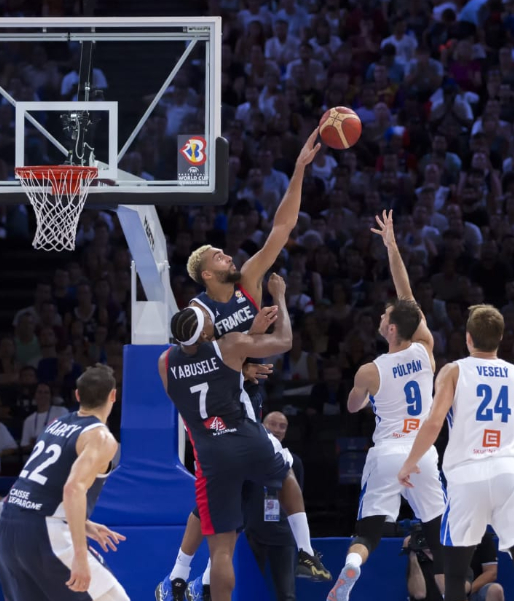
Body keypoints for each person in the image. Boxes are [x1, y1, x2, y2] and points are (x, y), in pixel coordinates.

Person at [161, 130, 323, 601]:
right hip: (217, 415)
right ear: (206, 275)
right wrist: (249, 353)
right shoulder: (200, 314)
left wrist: (298, 169)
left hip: (237, 404)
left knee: (221, 526)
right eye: (218, 255)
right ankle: (182, 573)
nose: (228, 254)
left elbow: (282, 228)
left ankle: (185, 574)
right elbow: (213, 359)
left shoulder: (248, 279)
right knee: (251, 490)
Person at [157, 277, 328, 601]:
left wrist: (237, 367)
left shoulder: (164, 363)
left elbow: (191, 385)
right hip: (244, 436)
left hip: (210, 450)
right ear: (207, 333)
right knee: (287, 471)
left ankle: (182, 576)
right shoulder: (230, 345)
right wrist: (278, 294)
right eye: (207, 318)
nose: (210, 316)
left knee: (221, 549)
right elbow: (285, 340)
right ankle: (306, 552)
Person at [327, 211, 445, 601]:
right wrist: (393, 247)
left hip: (388, 452)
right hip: (423, 453)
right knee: (436, 529)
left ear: (391, 329)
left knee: (369, 531)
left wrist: (361, 394)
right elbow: (407, 295)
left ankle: (353, 567)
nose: (381, 315)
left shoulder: (370, 369)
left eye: (385, 315)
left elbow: (352, 406)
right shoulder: (426, 350)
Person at [397, 305, 514, 601]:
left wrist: (410, 462)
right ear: (501, 338)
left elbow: (433, 423)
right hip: (511, 474)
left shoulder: (454, 370)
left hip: (468, 476)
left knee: (455, 575)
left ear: (468, 338)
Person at [0, 365, 130, 601]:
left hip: (8, 526)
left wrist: (82, 523)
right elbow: (72, 488)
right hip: (45, 532)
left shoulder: (56, 424)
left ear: (77, 396)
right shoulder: (101, 437)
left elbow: (44, 486)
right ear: (113, 396)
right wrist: (80, 554)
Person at [243, 411, 304, 601]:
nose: (277, 430)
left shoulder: (294, 462)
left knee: (287, 594)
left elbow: (298, 500)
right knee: (249, 590)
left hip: (283, 536)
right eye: (272, 424)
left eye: (282, 426)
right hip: (252, 533)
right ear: (261, 426)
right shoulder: (247, 461)